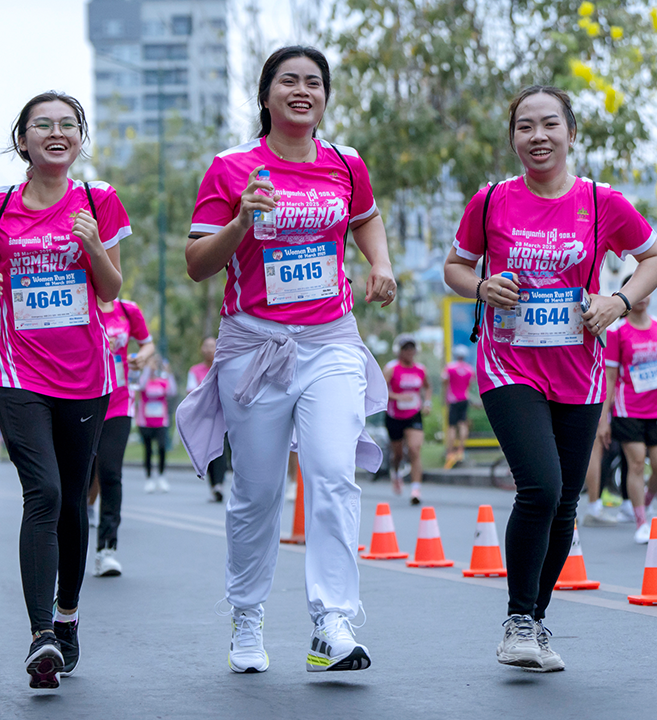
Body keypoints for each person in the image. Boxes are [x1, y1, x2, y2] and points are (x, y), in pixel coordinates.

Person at [178, 46, 395, 675]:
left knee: (332, 473)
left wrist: (378, 264)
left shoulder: (344, 163)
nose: (303, 91)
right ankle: (248, 618)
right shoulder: (231, 168)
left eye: (314, 83)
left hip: (330, 341)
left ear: (325, 96)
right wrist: (243, 218)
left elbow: (366, 218)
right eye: (289, 81)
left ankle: (332, 621)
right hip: (255, 347)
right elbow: (198, 265)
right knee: (257, 492)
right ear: (266, 94)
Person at [443, 85, 657, 671]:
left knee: (566, 503)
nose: (537, 136)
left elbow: (656, 259)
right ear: (513, 137)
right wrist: (481, 286)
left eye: (549, 124)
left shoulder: (600, 203)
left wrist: (619, 301)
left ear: (571, 133)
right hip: (508, 362)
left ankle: (534, 623)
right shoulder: (491, 201)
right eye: (524, 126)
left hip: (580, 368)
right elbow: (455, 267)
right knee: (540, 487)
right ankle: (517, 620)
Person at [0, 91, 131, 689]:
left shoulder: (97, 200)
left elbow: (111, 289)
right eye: (43, 125)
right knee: (45, 492)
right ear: (23, 139)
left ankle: (67, 617)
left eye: (68, 125)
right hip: (17, 371)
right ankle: (40, 636)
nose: (56, 132)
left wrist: (89, 245)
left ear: (80, 138)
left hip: (85, 376)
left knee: (72, 505)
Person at [598, 282, 657, 543]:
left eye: (645, 292)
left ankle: (645, 503)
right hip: (629, 409)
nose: (641, 298)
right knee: (636, 463)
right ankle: (640, 521)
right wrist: (605, 418)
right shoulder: (617, 331)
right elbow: (611, 377)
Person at [91, 296, 154, 576]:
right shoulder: (78, 302)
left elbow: (147, 342)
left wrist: (143, 356)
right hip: (83, 399)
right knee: (81, 477)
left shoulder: (128, 310)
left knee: (110, 472)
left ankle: (107, 549)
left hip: (118, 401)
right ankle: (73, 542)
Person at [383, 334, 431, 504]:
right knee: (397, 454)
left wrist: (427, 403)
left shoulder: (420, 369)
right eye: (406, 348)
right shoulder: (391, 368)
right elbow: (380, 390)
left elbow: (427, 387)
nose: (410, 351)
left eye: (412, 348)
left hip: (413, 414)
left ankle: (416, 489)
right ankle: (396, 473)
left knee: (414, 449)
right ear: (399, 351)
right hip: (394, 416)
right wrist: (397, 397)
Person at [187, 337, 228, 502]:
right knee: (209, 451)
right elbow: (191, 392)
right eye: (207, 346)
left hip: (223, 416)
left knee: (222, 450)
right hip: (204, 417)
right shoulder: (195, 370)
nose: (210, 349)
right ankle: (213, 485)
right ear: (201, 349)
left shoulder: (224, 367)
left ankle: (219, 484)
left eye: (213, 346)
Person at [136, 355, 176, 493]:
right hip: (145, 422)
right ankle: (148, 479)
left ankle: (161, 477)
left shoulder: (162, 381)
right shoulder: (143, 380)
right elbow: (139, 386)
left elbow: (172, 391)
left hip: (161, 422)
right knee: (148, 450)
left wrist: (168, 372)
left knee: (162, 448)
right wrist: (147, 367)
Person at [442, 344, 476, 467]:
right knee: (462, 424)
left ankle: (450, 451)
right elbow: (470, 385)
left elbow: (444, 383)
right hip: (464, 399)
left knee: (451, 426)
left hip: (453, 400)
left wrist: (444, 398)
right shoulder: (469, 369)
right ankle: (460, 449)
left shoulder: (450, 368)